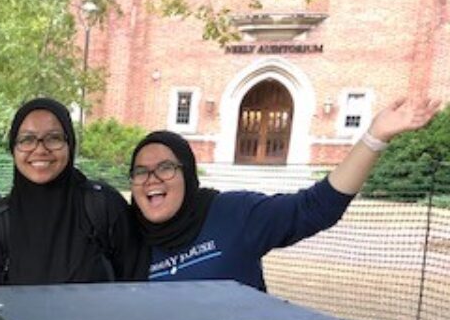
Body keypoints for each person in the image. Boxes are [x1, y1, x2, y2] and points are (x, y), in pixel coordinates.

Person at [128, 98, 439, 289]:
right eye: (140, 171)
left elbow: (317, 207)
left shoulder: (235, 215)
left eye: (166, 167)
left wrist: (375, 137)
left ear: (187, 174)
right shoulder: (125, 235)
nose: (152, 179)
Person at [0, 97, 138, 284]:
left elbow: (134, 282)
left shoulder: (103, 205)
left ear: (69, 144)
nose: (40, 150)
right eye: (27, 139)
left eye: (53, 138)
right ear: (13, 148)